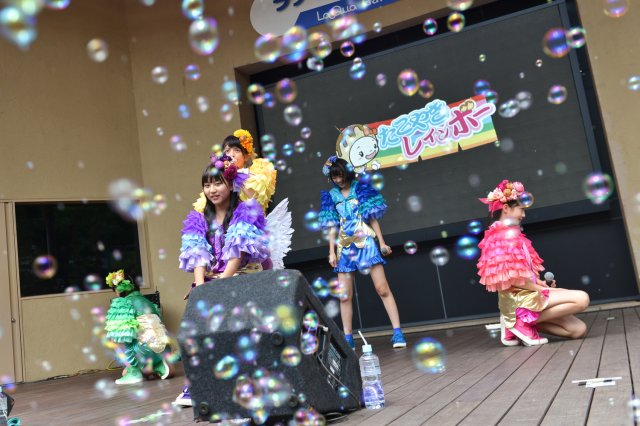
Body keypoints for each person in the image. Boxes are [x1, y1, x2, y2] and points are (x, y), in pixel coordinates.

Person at [175, 154, 291, 406]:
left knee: (238, 328)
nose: (212, 190)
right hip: (214, 279)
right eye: (207, 185)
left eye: (217, 183)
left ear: (230, 184)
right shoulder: (198, 218)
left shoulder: (245, 211)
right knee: (199, 325)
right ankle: (198, 384)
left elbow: (237, 255)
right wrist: (200, 288)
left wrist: (219, 285)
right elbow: (198, 256)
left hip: (241, 277)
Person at [477, 179, 590, 346]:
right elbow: (512, 280)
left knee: (578, 330)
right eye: (521, 209)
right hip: (520, 299)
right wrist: (542, 289)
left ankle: (517, 323)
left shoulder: (513, 235)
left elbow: (521, 274)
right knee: (582, 299)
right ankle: (517, 321)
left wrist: (540, 283)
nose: (523, 215)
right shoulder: (499, 237)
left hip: (529, 295)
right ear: (506, 208)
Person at [318, 156, 406, 349]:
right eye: (334, 177)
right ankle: (348, 338)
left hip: (366, 242)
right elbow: (331, 226)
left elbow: (372, 218)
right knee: (344, 295)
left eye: (340, 175)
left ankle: (398, 333)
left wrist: (382, 242)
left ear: (347, 173)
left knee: (382, 288)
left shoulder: (360, 188)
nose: (338, 180)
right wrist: (331, 251)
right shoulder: (331, 195)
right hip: (344, 247)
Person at [104, 269, 173, 385]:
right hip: (164, 348)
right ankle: (158, 364)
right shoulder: (148, 302)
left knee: (115, 336)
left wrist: (129, 364)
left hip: (144, 351)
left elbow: (119, 333)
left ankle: (134, 371)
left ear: (119, 289)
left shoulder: (123, 302)